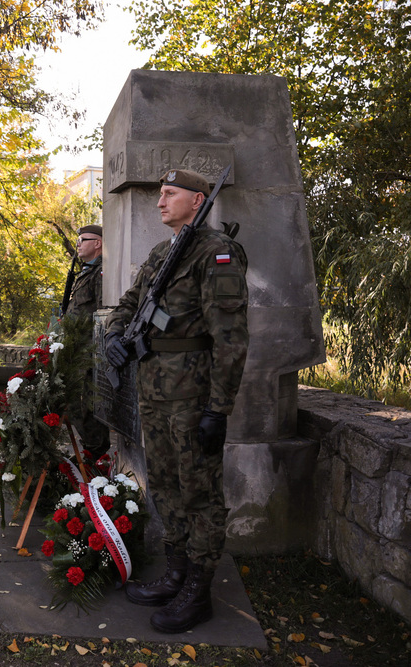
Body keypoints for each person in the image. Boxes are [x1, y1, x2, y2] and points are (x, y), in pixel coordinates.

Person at [104, 168, 248, 633]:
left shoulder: (217, 253)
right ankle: (176, 573)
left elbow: (231, 339)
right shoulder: (161, 253)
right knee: (165, 486)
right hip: (154, 393)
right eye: (160, 194)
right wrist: (115, 336)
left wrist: (218, 410)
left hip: (192, 396)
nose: (160, 201)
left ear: (197, 200)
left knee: (199, 493)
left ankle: (198, 592)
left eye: (170, 194)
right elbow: (130, 303)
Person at [62, 224, 111, 461]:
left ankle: (96, 454)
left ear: (98, 243)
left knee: (85, 406)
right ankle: (91, 451)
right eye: (78, 240)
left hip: (89, 353)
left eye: (83, 240)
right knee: (75, 404)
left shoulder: (101, 273)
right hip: (77, 351)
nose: (78, 244)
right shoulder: (86, 271)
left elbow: (103, 314)